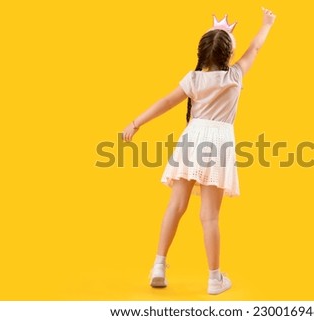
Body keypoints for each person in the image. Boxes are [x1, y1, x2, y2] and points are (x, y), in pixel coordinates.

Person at [122, 7, 276, 295]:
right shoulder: (235, 77)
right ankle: (214, 278)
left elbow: (166, 102)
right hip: (219, 143)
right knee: (210, 216)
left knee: (176, 206)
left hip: (192, 139)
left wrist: (136, 123)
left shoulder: (193, 79)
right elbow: (256, 47)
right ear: (229, 55)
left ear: (202, 53)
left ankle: (158, 264)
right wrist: (267, 23)